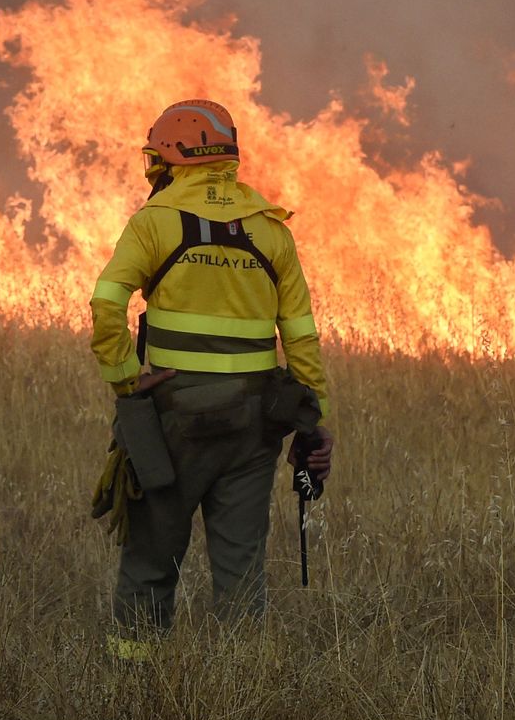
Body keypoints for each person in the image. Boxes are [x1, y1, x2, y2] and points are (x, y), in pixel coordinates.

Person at [89, 99, 334, 660]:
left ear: (173, 157)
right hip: (257, 423)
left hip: (173, 417)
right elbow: (301, 338)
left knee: (152, 561)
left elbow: (107, 305)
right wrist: (312, 423)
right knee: (242, 573)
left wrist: (127, 380)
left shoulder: (155, 222)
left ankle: (134, 692)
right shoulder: (272, 231)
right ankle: (239, 698)